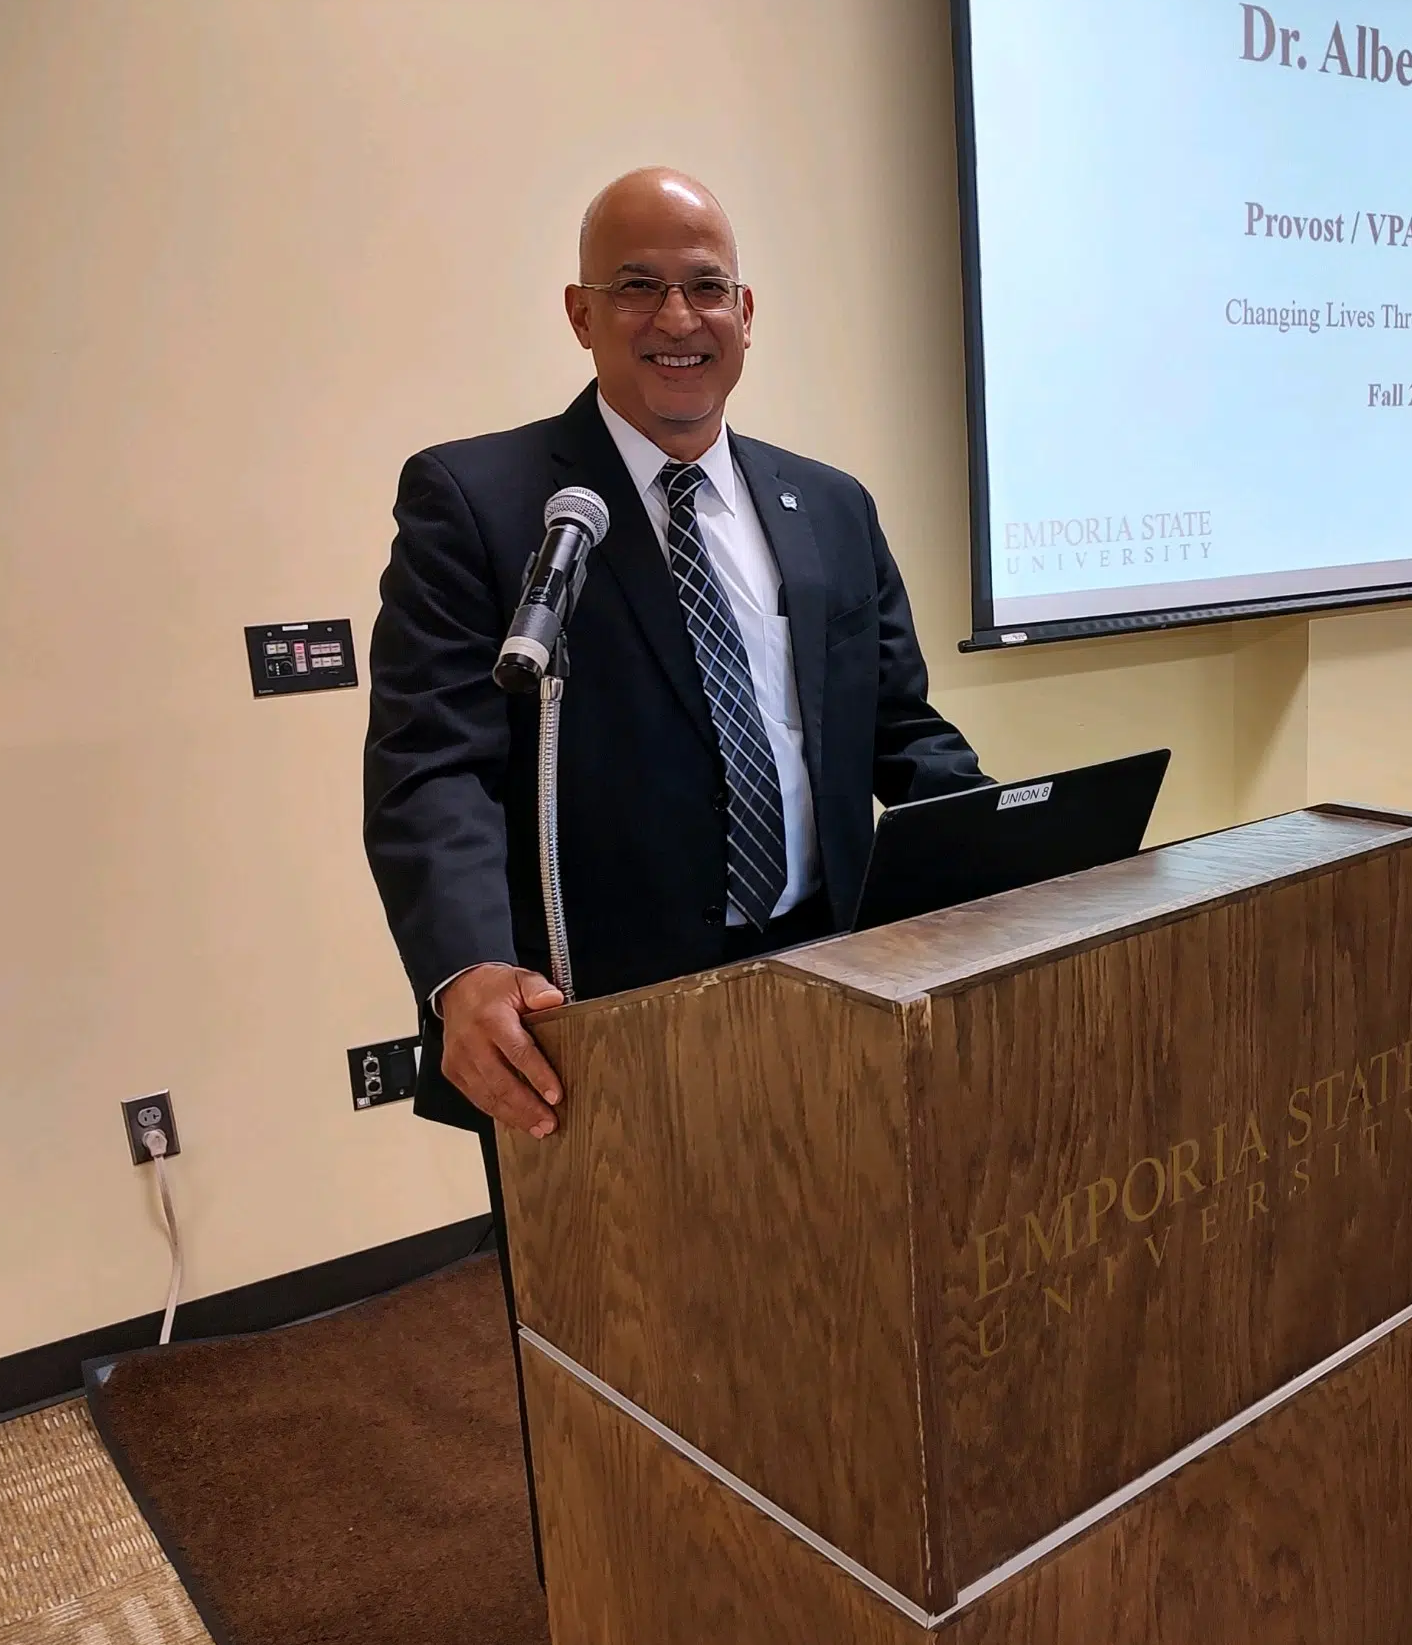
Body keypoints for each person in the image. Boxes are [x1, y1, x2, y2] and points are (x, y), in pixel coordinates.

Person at [364, 167, 986, 1143]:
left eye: (703, 286)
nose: (677, 317)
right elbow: (434, 765)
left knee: (843, 1269)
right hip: (592, 1020)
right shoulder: (479, 501)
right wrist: (466, 965)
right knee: (631, 1296)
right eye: (636, 286)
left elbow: (899, 728)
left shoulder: (829, 506)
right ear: (580, 313)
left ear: (743, 310)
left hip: (830, 977)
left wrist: (1010, 858)